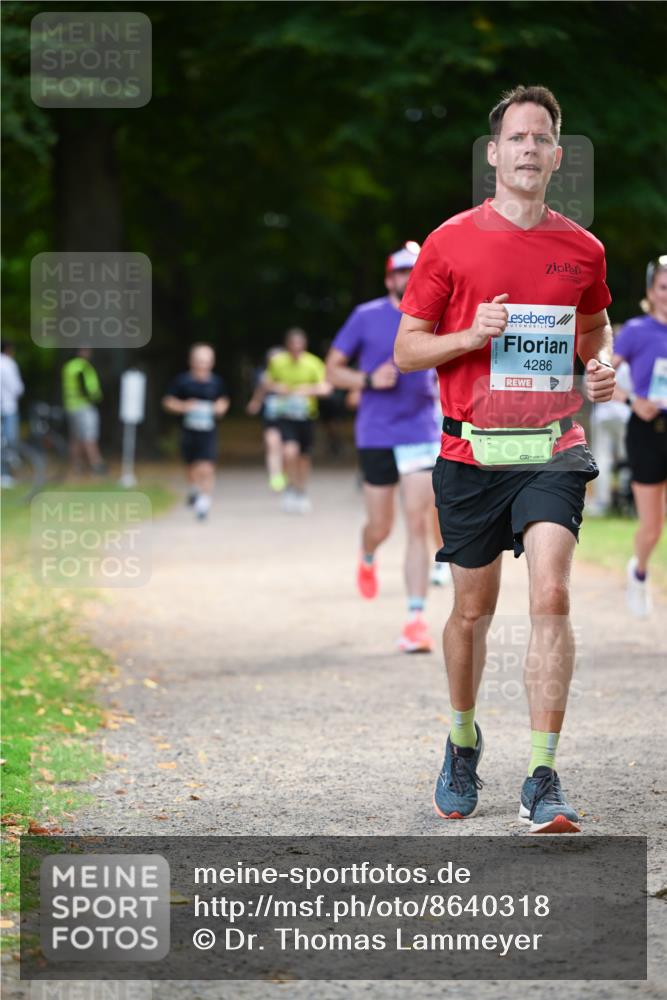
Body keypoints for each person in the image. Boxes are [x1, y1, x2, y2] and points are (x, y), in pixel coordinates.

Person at [395, 85, 616, 833]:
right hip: (470, 449)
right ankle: (462, 741)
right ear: (493, 153)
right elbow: (405, 351)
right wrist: (470, 334)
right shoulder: (449, 241)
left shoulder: (582, 249)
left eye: (540, 138)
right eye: (516, 137)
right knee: (471, 611)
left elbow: (594, 330)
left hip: (552, 446)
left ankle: (542, 774)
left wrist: (599, 367)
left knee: (551, 595)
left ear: (556, 156)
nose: (528, 148)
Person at [326, 243, 442, 653]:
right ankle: (368, 551)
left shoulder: (439, 317)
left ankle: (415, 620)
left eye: (415, 270)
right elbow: (332, 371)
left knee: (418, 523)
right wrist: (368, 381)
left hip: (420, 432)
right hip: (376, 434)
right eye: (401, 271)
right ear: (389, 278)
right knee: (382, 526)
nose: (409, 278)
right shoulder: (366, 316)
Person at [612, 254, 667, 618]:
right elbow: (601, 379)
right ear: (651, 291)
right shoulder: (634, 331)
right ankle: (639, 571)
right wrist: (634, 401)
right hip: (647, 430)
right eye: (663, 287)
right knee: (652, 527)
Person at [262, 328, 330, 514]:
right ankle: (290, 487)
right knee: (289, 451)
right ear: (287, 345)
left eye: (299, 344)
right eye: (293, 344)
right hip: (286, 415)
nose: (296, 348)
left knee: (304, 457)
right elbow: (266, 383)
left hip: (306, 416)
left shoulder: (313, 363)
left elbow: (325, 388)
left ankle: (301, 489)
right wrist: (279, 387)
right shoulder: (278, 362)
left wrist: (305, 390)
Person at [162, 343, 230, 520]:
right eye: (199, 360)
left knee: (207, 466)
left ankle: (204, 501)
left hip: (208, 432)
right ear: (191, 361)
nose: (202, 364)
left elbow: (224, 401)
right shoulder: (182, 381)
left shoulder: (216, 382)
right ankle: (194, 489)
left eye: (206, 361)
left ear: (212, 362)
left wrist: (219, 408)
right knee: (191, 466)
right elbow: (168, 402)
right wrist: (184, 406)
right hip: (188, 431)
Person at [586, 342, 632, 517]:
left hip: (604, 415)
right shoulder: (629, 363)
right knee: (627, 459)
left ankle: (602, 502)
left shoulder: (596, 363)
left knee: (602, 459)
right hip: (625, 415)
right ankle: (626, 501)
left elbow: (588, 388)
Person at [246, 346, 287, 493]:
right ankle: (275, 476)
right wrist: (255, 403)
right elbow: (260, 391)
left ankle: (286, 473)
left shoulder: (290, 373)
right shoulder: (263, 375)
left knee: (287, 448)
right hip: (271, 416)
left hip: (289, 416)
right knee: (272, 444)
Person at [62, 347, 106, 475]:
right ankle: (96, 464)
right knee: (89, 436)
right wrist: (96, 397)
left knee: (75, 437)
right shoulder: (83, 367)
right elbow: (86, 389)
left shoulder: (69, 366)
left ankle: (76, 466)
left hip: (71, 406)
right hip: (84, 406)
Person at [0, 341, 25, 487]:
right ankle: (6, 474)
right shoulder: (9, 364)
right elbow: (17, 388)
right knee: (10, 441)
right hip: (9, 407)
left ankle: (3, 474)